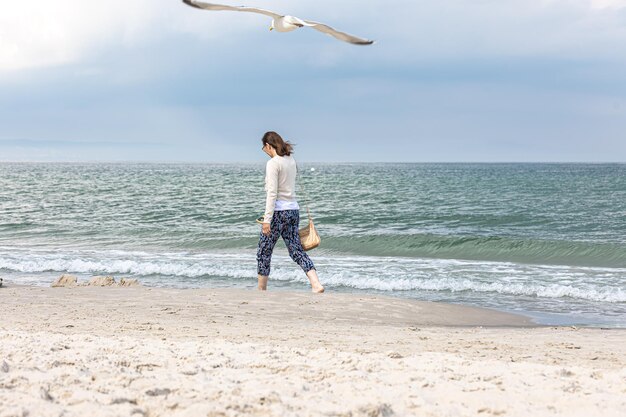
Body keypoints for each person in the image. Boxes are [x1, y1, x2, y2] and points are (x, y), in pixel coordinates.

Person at [257, 131, 324, 293]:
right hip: (293, 210)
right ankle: (316, 284)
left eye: (263, 147)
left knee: (264, 251)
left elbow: (272, 193)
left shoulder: (273, 163)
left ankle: (261, 289)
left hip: (278, 212)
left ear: (268, 145)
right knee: (296, 250)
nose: (264, 151)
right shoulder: (290, 160)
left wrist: (267, 220)